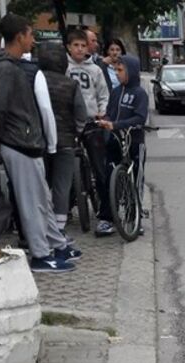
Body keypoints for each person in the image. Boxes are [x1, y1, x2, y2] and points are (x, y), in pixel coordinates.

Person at [0, 14, 77, 272]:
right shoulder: (5, 69)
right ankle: (40, 255)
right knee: (32, 203)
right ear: (19, 37)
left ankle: (50, 247)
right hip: (18, 144)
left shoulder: (11, 67)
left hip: (23, 142)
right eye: (30, 34)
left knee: (41, 199)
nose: (33, 40)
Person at [38, 41, 87, 236]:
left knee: (41, 183)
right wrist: (77, 132)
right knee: (62, 185)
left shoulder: (35, 81)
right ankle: (59, 228)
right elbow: (81, 114)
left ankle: (40, 225)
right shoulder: (71, 84)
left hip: (39, 142)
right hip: (65, 141)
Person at [67, 28, 113, 234]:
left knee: (100, 168)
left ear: (88, 48)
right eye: (75, 45)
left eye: (83, 45)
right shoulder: (64, 69)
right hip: (69, 124)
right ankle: (65, 208)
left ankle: (106, 215)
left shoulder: (95, 70)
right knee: (64, 167)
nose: (79, 49)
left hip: (92, 122)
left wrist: (102, 113)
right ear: (68, 47)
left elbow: (103, 94)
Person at [97, 55, 149, 237]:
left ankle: (133, 218)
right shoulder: (116, 92)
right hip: (115, 141)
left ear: (131, 71)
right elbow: (111, 113)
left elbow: (140, 118)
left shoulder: (140, 93)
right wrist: (104, 120)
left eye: (120, 70)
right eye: (116, 70)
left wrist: (117, 125)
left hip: (134, 142)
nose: (117, 74)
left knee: (135, 181)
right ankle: (106, 219)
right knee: (108, 177)